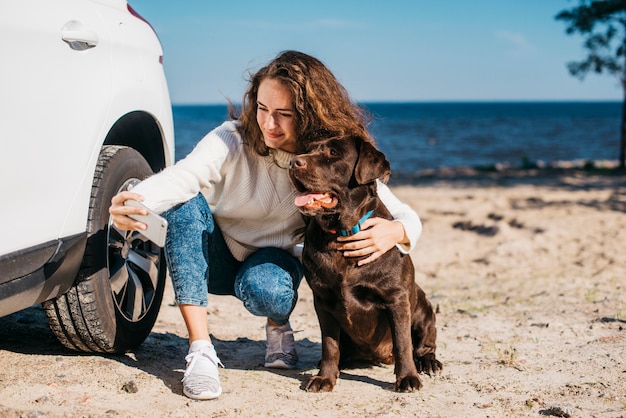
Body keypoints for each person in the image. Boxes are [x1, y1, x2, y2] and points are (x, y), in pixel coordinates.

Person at [108, 50, 422, 401]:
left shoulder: (320, 159)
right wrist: (139, 200)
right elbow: (185, 175)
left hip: (271, 266)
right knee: (184, 204)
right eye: (262, 109)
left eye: (284, 114)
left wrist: (394, 232)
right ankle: (200, 351)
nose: (269, 124)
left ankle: (277, 326)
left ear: (308, 114)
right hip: (215, 254)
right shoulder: (232, 139)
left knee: (267, 289)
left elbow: (403, 214)